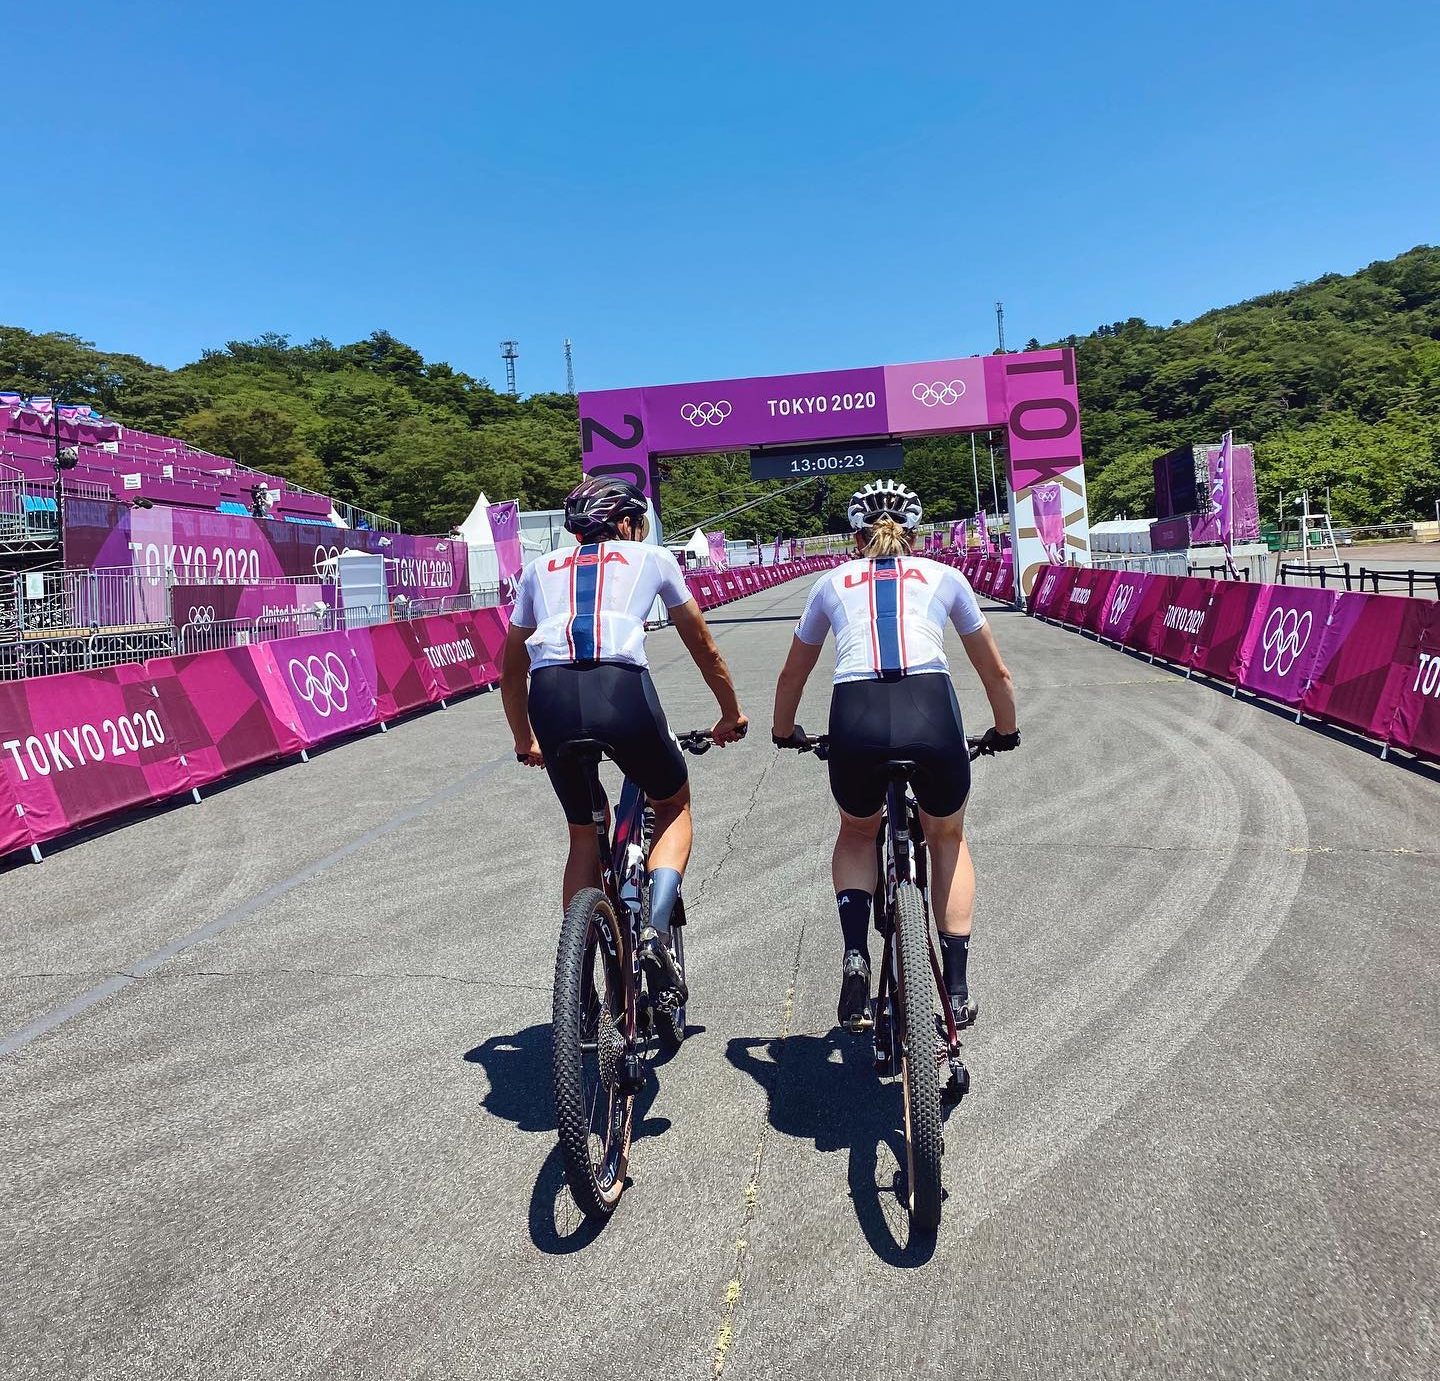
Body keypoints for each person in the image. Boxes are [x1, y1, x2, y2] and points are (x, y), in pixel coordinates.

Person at [770, 479, 1019, 1027]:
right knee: (947, 836)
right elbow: (994, 672)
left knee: (858, 831)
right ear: (915, 529)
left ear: (854, 534)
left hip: (855, 712)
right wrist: (1006, 730)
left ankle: (856, 950)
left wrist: (784, 732)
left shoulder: (831, 583)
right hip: (928, 707)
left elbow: (793, 673)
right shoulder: (946, 577)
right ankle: (954, 987)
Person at [501, 476, 748, 1003]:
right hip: (621, 689)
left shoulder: (535, 570)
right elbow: (702, 643)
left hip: (551, 698)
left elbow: (511, 668)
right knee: (673, 803)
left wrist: (526, 739)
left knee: (583, 834)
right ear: (626, 524)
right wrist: (730, 712)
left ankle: (580, 979)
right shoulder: (653, 558)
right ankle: (656, 927)